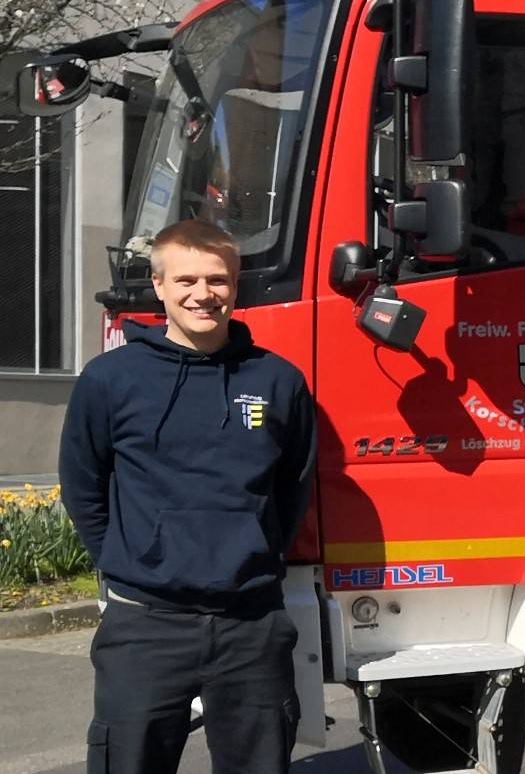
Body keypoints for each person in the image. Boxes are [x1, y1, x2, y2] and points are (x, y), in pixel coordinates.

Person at [60, 219, 317, 774]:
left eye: (217, 280)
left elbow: (293, 486)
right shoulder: (110, 380)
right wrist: (125, 561)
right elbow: (83, 485)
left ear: (236, 283)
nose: (203, 294)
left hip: (251, 627)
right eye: (186, 281)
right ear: (158, 285)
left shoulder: (279, 381)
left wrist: (250, 553)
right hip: (145, 627)